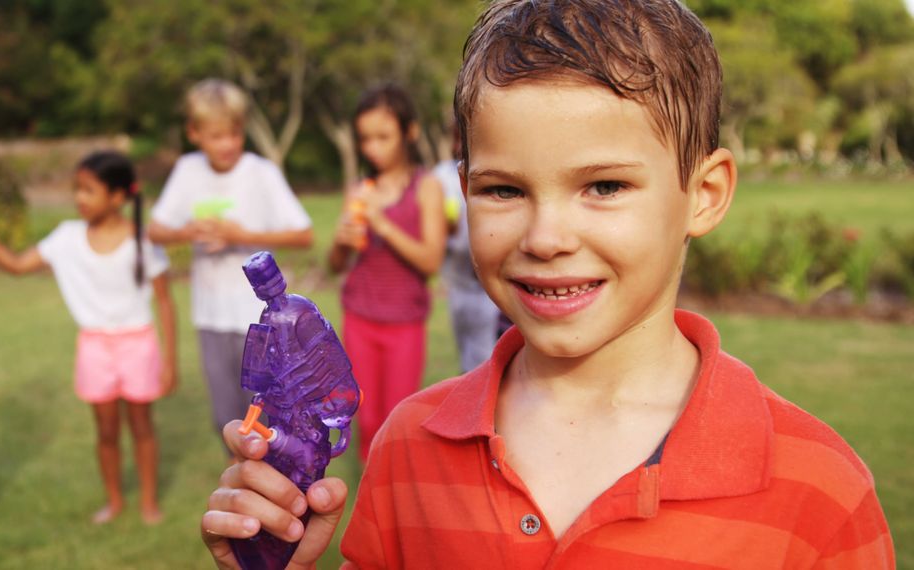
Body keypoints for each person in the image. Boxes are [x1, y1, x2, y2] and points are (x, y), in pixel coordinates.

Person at [200, 0, 895, 567]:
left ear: (704, 193)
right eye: (502, 189)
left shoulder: (819, 491)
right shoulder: (411, 446)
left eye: (604, 185)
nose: (545, 237)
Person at [0, 151, 177, 525]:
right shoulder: (66, 238)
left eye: (88, 190)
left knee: (142, 428)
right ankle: (115, 501)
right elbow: (17, 266)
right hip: (94, 348)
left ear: (119, 197)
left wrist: (171, 362)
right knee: (105, 431)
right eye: (76, 190)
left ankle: (149, 502)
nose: (79, 198)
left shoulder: (144, 241)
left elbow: (166, 302)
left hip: (139, 344)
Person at [147, 79, 313, 451]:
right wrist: (188, 230)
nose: (227, 144)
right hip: (210, 315)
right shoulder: (188, 170)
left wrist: (240, 235)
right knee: (227, 421)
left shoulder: (261, 172)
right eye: (216, 135)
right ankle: (241, 496)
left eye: (235, 133)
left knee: (267, 419)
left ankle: (276, 493)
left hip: (259, 319)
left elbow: (304, 234)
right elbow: (155, 231)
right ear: (194, 133)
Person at [326, 85, 448, 461]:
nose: (373, 148)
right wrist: (342, 241)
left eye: (383, 137)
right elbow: (335, 265)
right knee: (363, 417)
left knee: (396, 420)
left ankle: (393, 495)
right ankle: (372, 496)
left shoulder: (426, 187)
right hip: (360, 317)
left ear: (409, 133)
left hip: (404, 322)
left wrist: (383, 224)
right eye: (365, 139)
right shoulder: (361, 189)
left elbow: (431, 261)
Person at [434, 124, 502, 373]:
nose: (460, 146)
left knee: (485, 355)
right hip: (459, 282)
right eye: (458, 139)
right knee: (466, 352)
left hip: (486, 289)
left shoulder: (496, 169)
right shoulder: (442, 176)